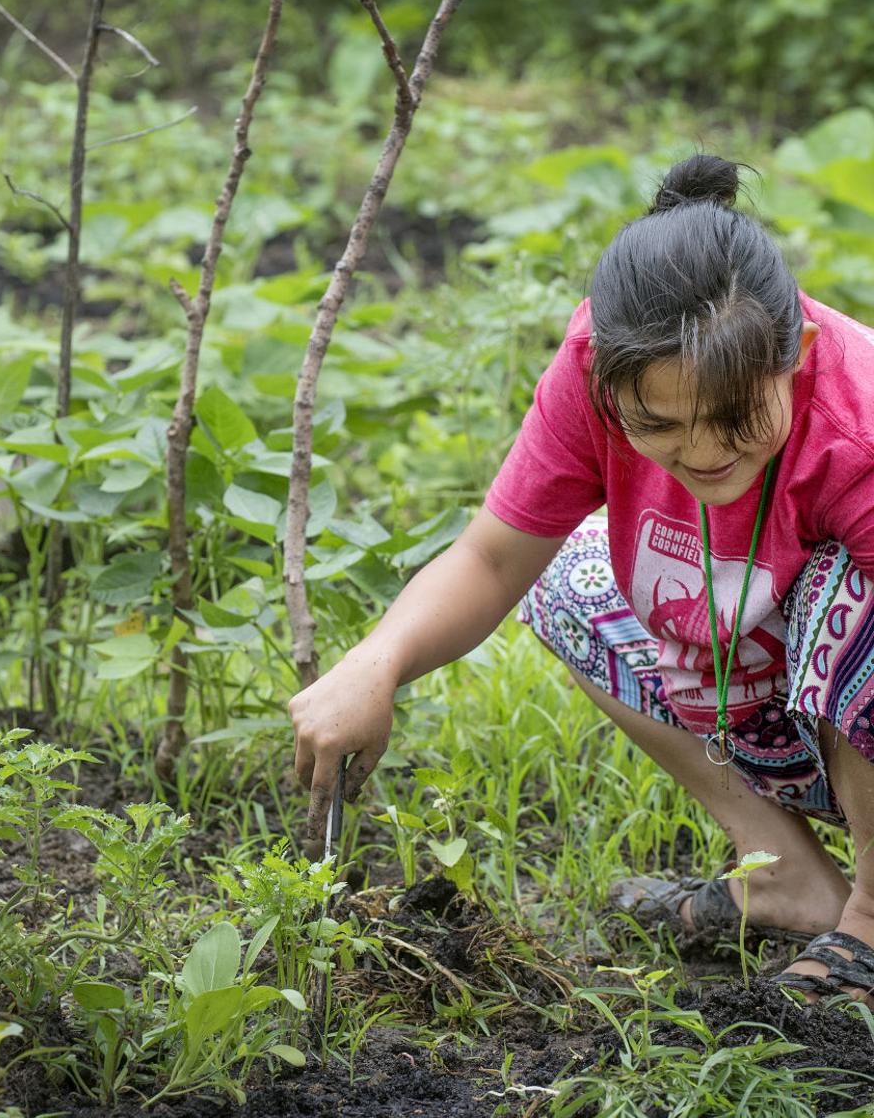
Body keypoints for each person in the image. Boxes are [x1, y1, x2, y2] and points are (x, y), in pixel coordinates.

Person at [289, 154, 874, 1003]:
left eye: (738, 420)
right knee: (569, 574)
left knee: (852, 594)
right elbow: (491, 560)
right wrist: (373, 664)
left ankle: (869, 922)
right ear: (605, 382)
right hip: (773, 701)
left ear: (799, 354)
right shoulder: (591, 370)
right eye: (660, 425)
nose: (705, 453)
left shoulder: (856, 423)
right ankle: (786, 875)